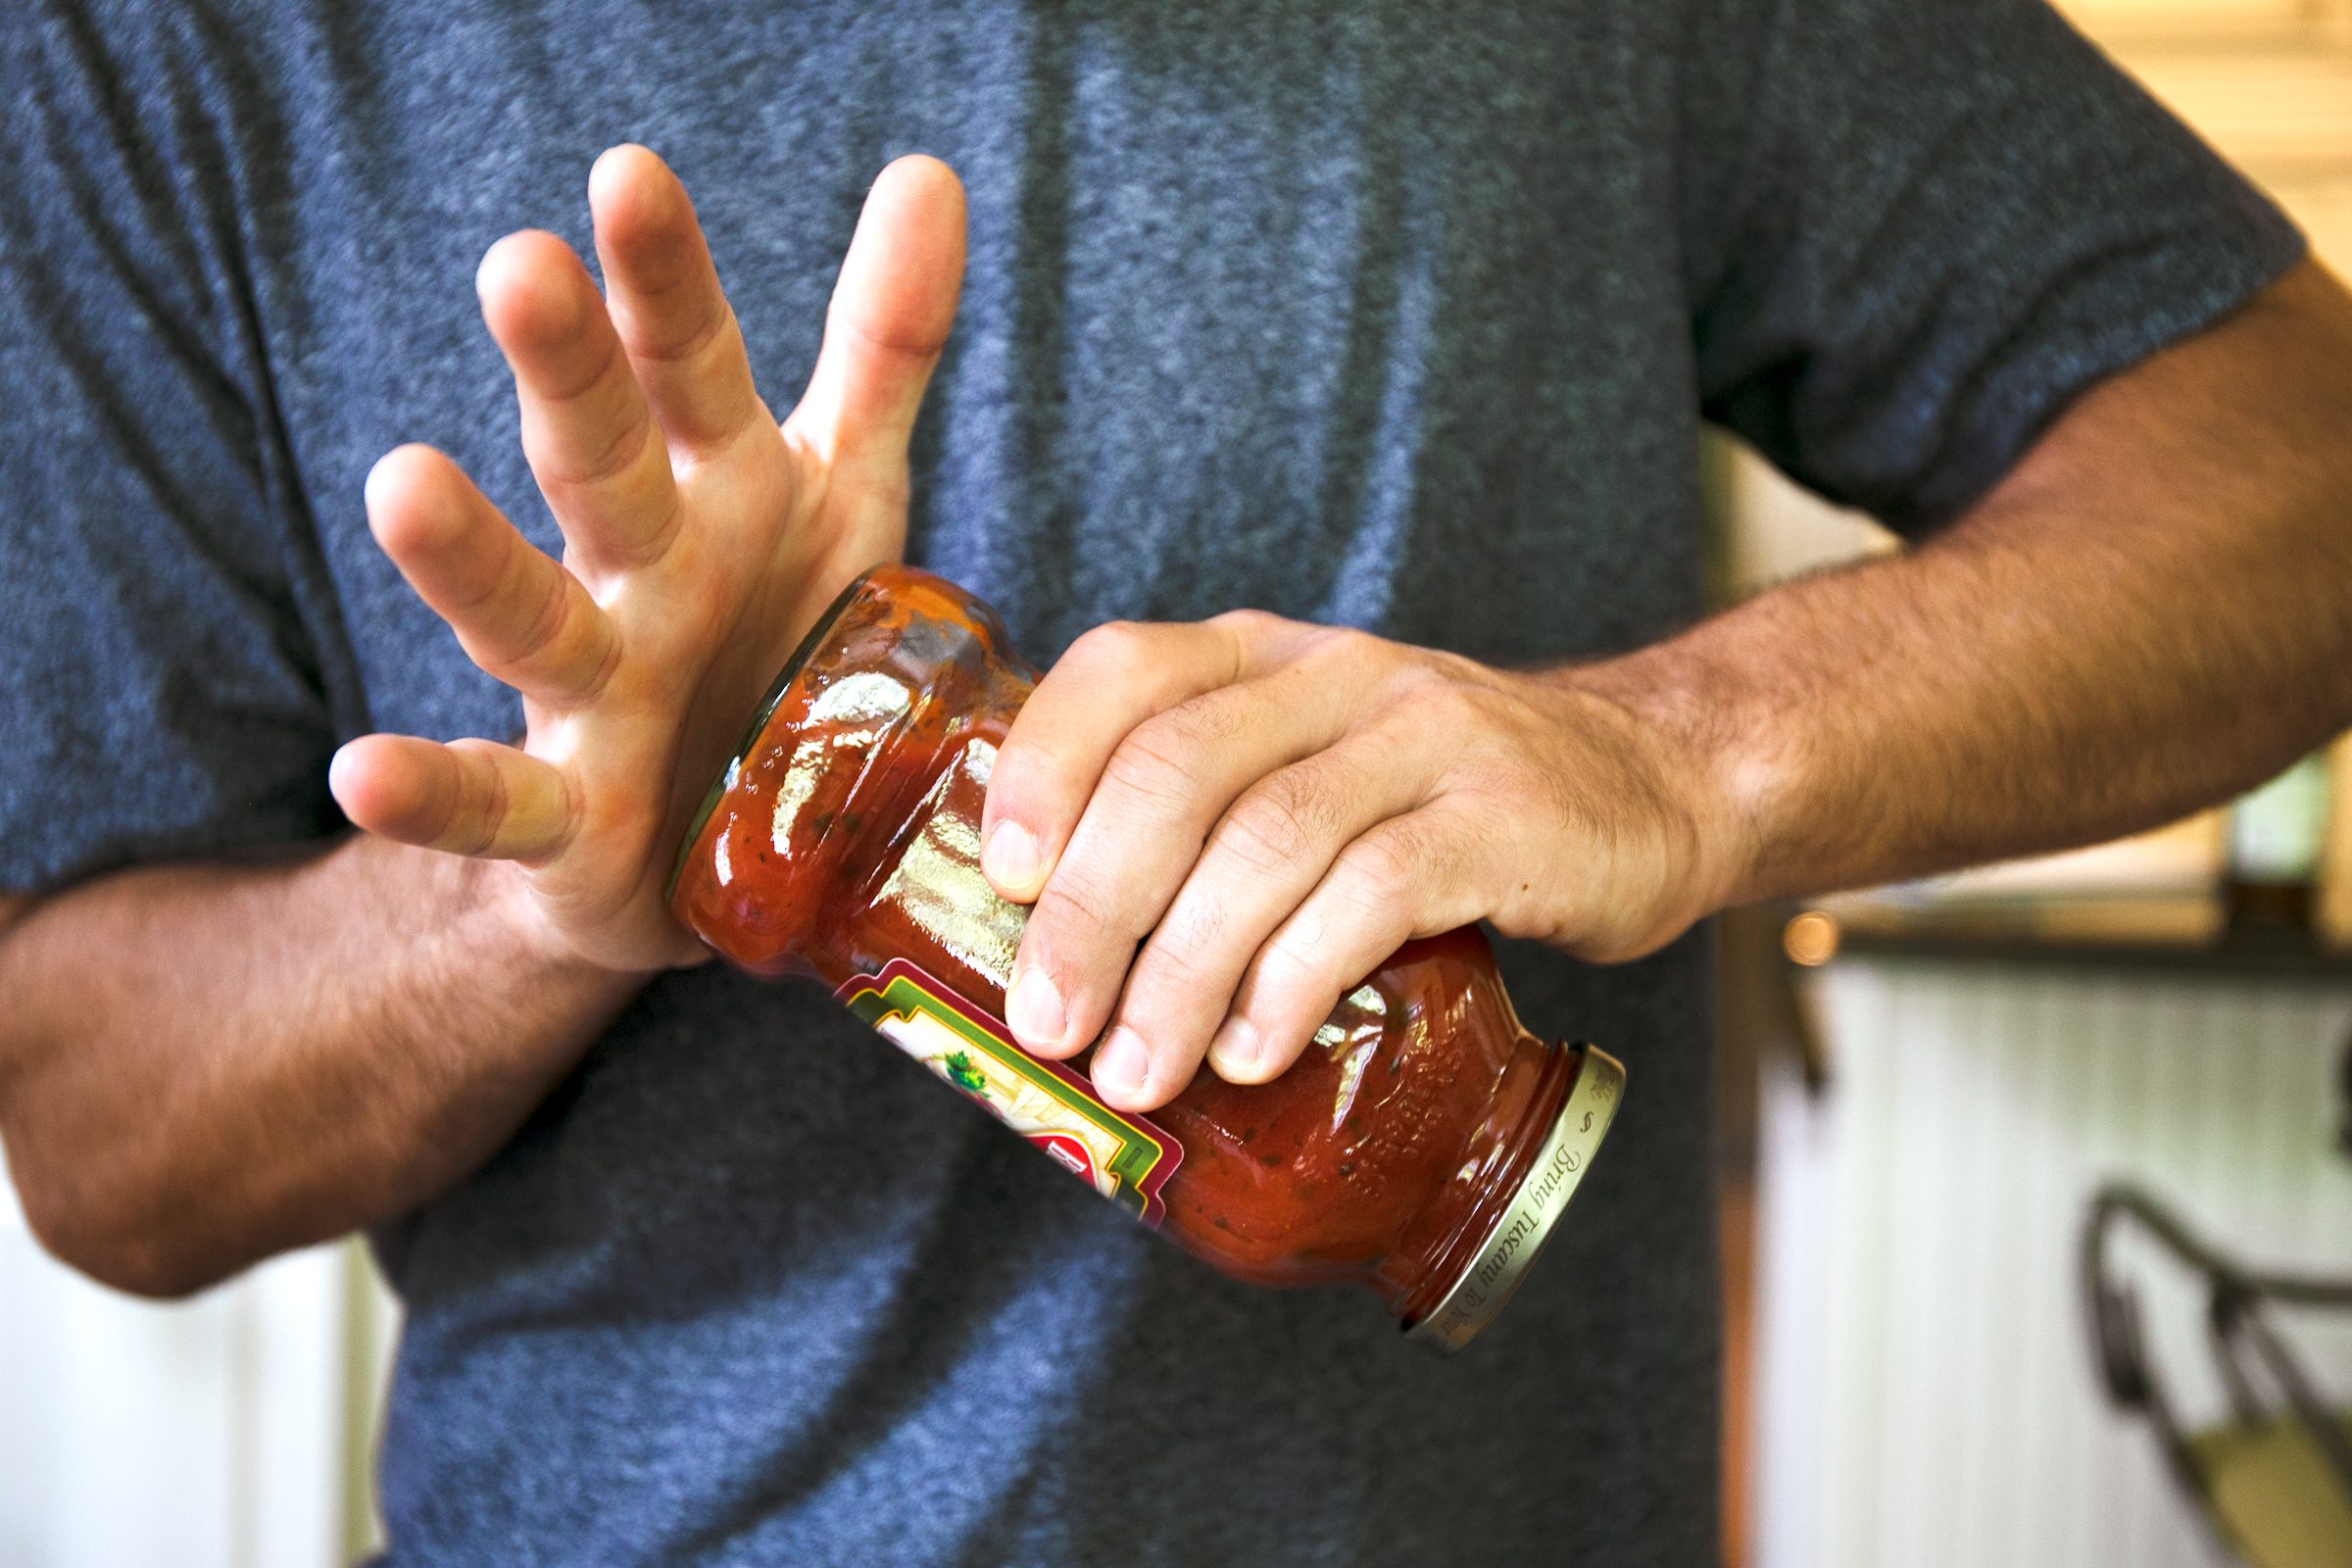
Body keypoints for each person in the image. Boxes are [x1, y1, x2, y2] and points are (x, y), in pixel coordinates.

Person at [3, 0, 2347, 1562]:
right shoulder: (150, 56)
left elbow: (2302, 473)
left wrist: (1683, 750)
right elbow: (96, 1131)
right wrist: (532, 910)